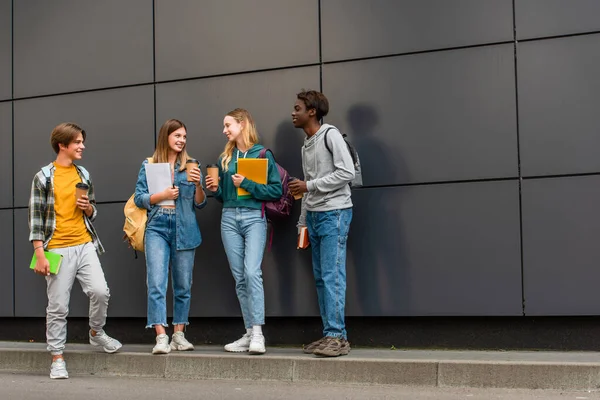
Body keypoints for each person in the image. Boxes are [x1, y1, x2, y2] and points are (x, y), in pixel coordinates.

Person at [28, 122, 122, 379]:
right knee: (58, 306)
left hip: (84, 243)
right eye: (78, 142)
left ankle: (96, 332)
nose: (83, 146)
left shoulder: (83, 174)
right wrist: (39, 254)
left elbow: (93, 210)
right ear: (63, 145)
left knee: (101, 292)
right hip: (56, 249)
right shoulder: (44, 177)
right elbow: (36, 219)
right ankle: (57, 357)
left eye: (82, 141)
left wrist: (88, 208)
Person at [205, 108, 282, 355]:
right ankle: (248, 332)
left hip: (254, 218)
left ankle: (258, 333)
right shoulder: (225, 158)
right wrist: (214, 188)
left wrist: (246, 183)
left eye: (228, 125)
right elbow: (222, 195)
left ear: (242, 124)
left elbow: (275, 191)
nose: (224, 130)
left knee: (251, 273)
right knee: (239, 278)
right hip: (228, 217)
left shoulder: (262, 154)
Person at [289, 90, 355, 357]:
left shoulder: (330, 134)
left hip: (335, 213)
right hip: (315, 215)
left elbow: (346, 172)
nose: (293, 113)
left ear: (312, 111)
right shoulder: (306, 144)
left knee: (332, 276)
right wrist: (302, 224)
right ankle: (333, 334)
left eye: (297, 108)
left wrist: (310, 185)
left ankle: (337, 337)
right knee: (321, 278)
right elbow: (306, 190)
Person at [134, 119, 207, 354]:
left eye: (184, 136)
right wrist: (161, 195)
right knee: (156, 282)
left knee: (183, 285)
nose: (181, 140)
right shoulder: (150, 164)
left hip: (185, 227)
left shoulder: (191, 166)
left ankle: (179, 334)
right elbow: (139, 198)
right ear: (166, 136)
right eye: (177, 135)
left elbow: (201, 203)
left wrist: (197, 185)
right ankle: (161, 336)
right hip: (157, 226)